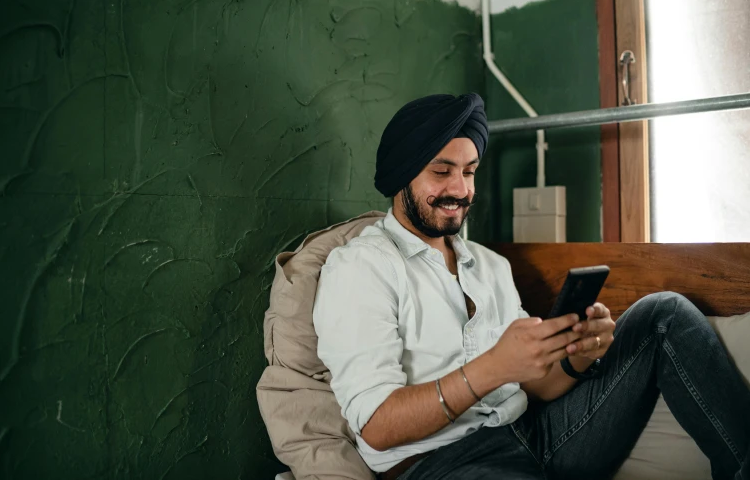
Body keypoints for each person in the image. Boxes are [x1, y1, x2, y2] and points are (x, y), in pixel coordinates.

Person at [312, 93, 750, 480]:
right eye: (441, 171)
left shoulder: (490, 266)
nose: (461, 189)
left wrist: (578, 358)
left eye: (469, 171)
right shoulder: (360, 268)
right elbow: (377, 426)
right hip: (440, 463)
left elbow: (538, 387)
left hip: (537, 432)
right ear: (402, 175)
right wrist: (494, 367)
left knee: (663, 314)